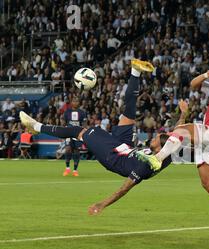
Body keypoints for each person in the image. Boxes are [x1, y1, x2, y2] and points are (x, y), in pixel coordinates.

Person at [20, 59, 181, 215]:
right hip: (125, 147)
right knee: (129, 112)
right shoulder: (166, 154)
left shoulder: (146, 167)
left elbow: (124, 189)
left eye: (155, 139)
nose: (153, 138)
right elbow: (179, 133)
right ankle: (135, 71)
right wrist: (184, 113)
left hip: (113, 156)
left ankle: (35, 126)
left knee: (78, 131)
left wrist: (102, 204)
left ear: (160, 147)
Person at [144, 61, 209, 231]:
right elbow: (193, 85)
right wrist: (207, 75)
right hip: (206, 141)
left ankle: (157, 159)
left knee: (182, 130)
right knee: (208, 184)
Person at [62, 96, 87, 176]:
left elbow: (84, 124)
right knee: (68, 149)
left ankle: (75, 170)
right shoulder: (67, 112)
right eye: (74, 101)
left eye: (77, 101)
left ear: (79, 103)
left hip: (77, 134)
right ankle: (67, 168)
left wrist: (83, 132)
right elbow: (63, 122)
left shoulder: (82, 112)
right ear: (71, 102)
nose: (75, 102)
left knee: (76, 151)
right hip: (69, 133)